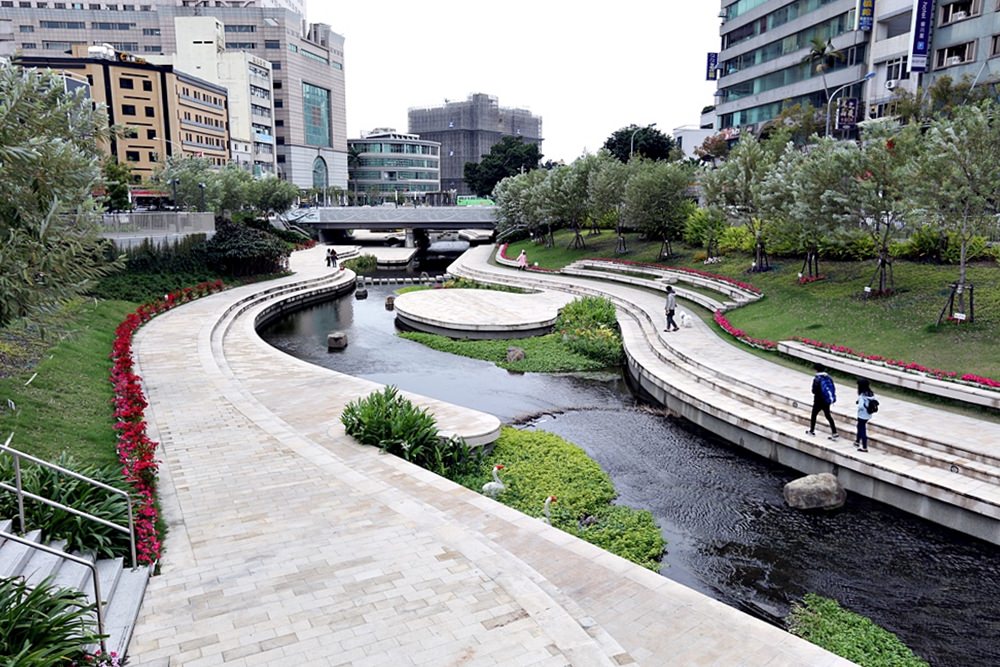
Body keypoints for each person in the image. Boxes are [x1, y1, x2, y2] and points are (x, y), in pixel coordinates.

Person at [806, 362, 839, 440]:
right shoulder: (828, 377)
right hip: (826, 400)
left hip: (818, 400)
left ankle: (812, 430)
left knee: (814, 415)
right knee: (828, 415)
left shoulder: (817, 379)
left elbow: (814, 391)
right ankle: (834, 432)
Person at [855, 378, 876, 452]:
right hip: (868, 414)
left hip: (862, 415)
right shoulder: (871, 393)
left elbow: (860, 406)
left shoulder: (862, 395)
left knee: (862, 428)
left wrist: (859, 408)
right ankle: (857, 441)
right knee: (859, 426)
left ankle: (864, 446)